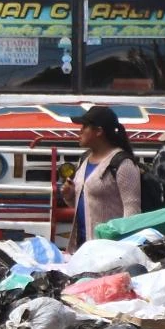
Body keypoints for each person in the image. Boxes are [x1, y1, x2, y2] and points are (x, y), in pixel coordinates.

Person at [61, 106, 141, 253]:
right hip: (81, 249)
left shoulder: (123, 164)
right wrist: (70, 196)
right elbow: (88, 204)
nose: (80, 131)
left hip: (108, 252)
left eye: (85, 127)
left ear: (98, 131)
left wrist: (122, 249)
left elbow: (132, 211)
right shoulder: (84, 160)